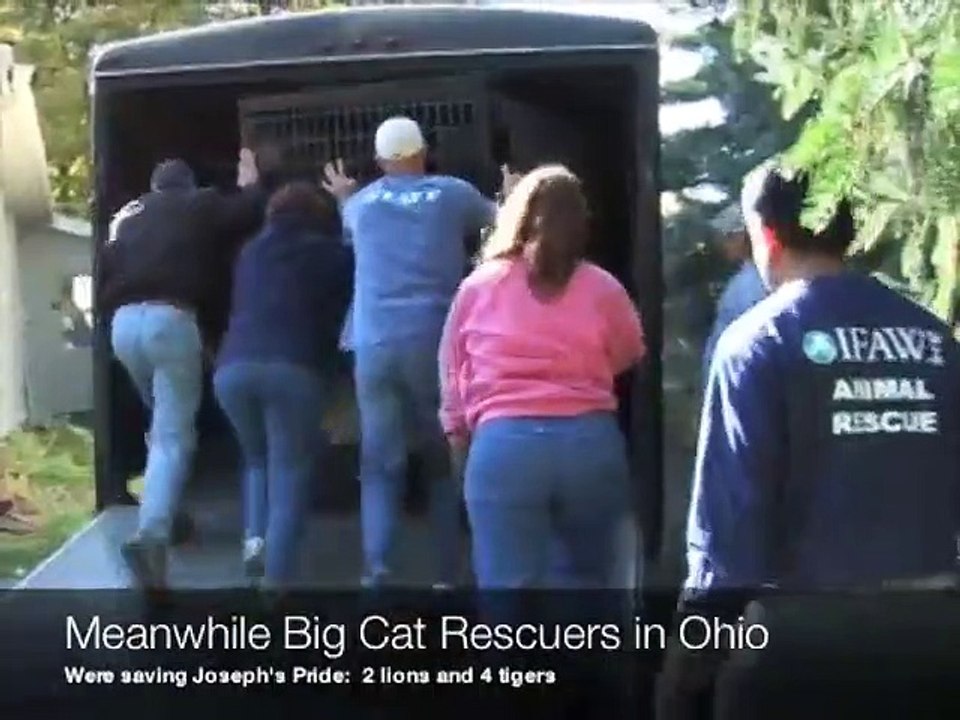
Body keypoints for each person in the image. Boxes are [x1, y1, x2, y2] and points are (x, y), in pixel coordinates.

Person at [657, 161, 960, 718]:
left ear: (766, 234)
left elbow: (728, 543)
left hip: (804, 648)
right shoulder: (934, 339)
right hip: (936, 643)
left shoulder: (756, 343)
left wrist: (681, 682)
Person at [321, 116, 519, 589]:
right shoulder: (453, 193)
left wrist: (344, 195)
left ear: (379, 160)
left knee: (379, 461)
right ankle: (448, 573)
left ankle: (378, 567)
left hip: (372, 343)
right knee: (440, 454)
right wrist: (510, 191)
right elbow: (505, 224)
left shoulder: (363, 205)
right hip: (435, 341)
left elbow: (351, 226)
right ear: (424, 151)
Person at [438, 164, 646, 590]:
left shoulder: (478, 288)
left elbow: (453, 380)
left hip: (502, 447)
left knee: (506, 592)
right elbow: (628, 353)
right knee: (592, 587)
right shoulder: (603, 287)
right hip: (589, 444)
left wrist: (460, 442)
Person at [97, 153, 268, 589]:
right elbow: (249, 211)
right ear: (187, 185)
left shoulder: (125, 215)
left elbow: (104, 272)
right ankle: (151, 534)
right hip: (170, 319)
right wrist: (250, 182)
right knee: (173, 433)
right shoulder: (197, 203)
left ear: (153, 186)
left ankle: (166, 512)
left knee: (161, 423)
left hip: (122, 325)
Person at [213, 182, 353, 589]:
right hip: (294, 367)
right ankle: (278, 580)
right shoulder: (328, 254)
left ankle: (255, 542)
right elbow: (351, 287)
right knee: (289, 468)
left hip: (232, 368)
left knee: (256, 459)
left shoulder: (250, 252)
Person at [701, 202, 767, 381]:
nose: (722, 243)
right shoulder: (750, 280)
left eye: (728, 236)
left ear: (743, 236)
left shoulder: (749, 286)